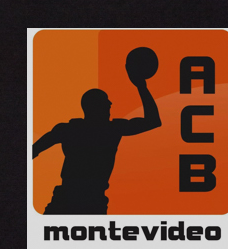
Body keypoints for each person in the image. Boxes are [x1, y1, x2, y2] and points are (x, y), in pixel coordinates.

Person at [34, 68, 161, 213]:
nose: (110, 103)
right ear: (96, 106)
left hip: (73, 200)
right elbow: (153, 121)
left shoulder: (69, 129)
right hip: (84, 202)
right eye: (105, 101)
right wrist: (141, 86)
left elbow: (34, 149)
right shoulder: (111, 129)